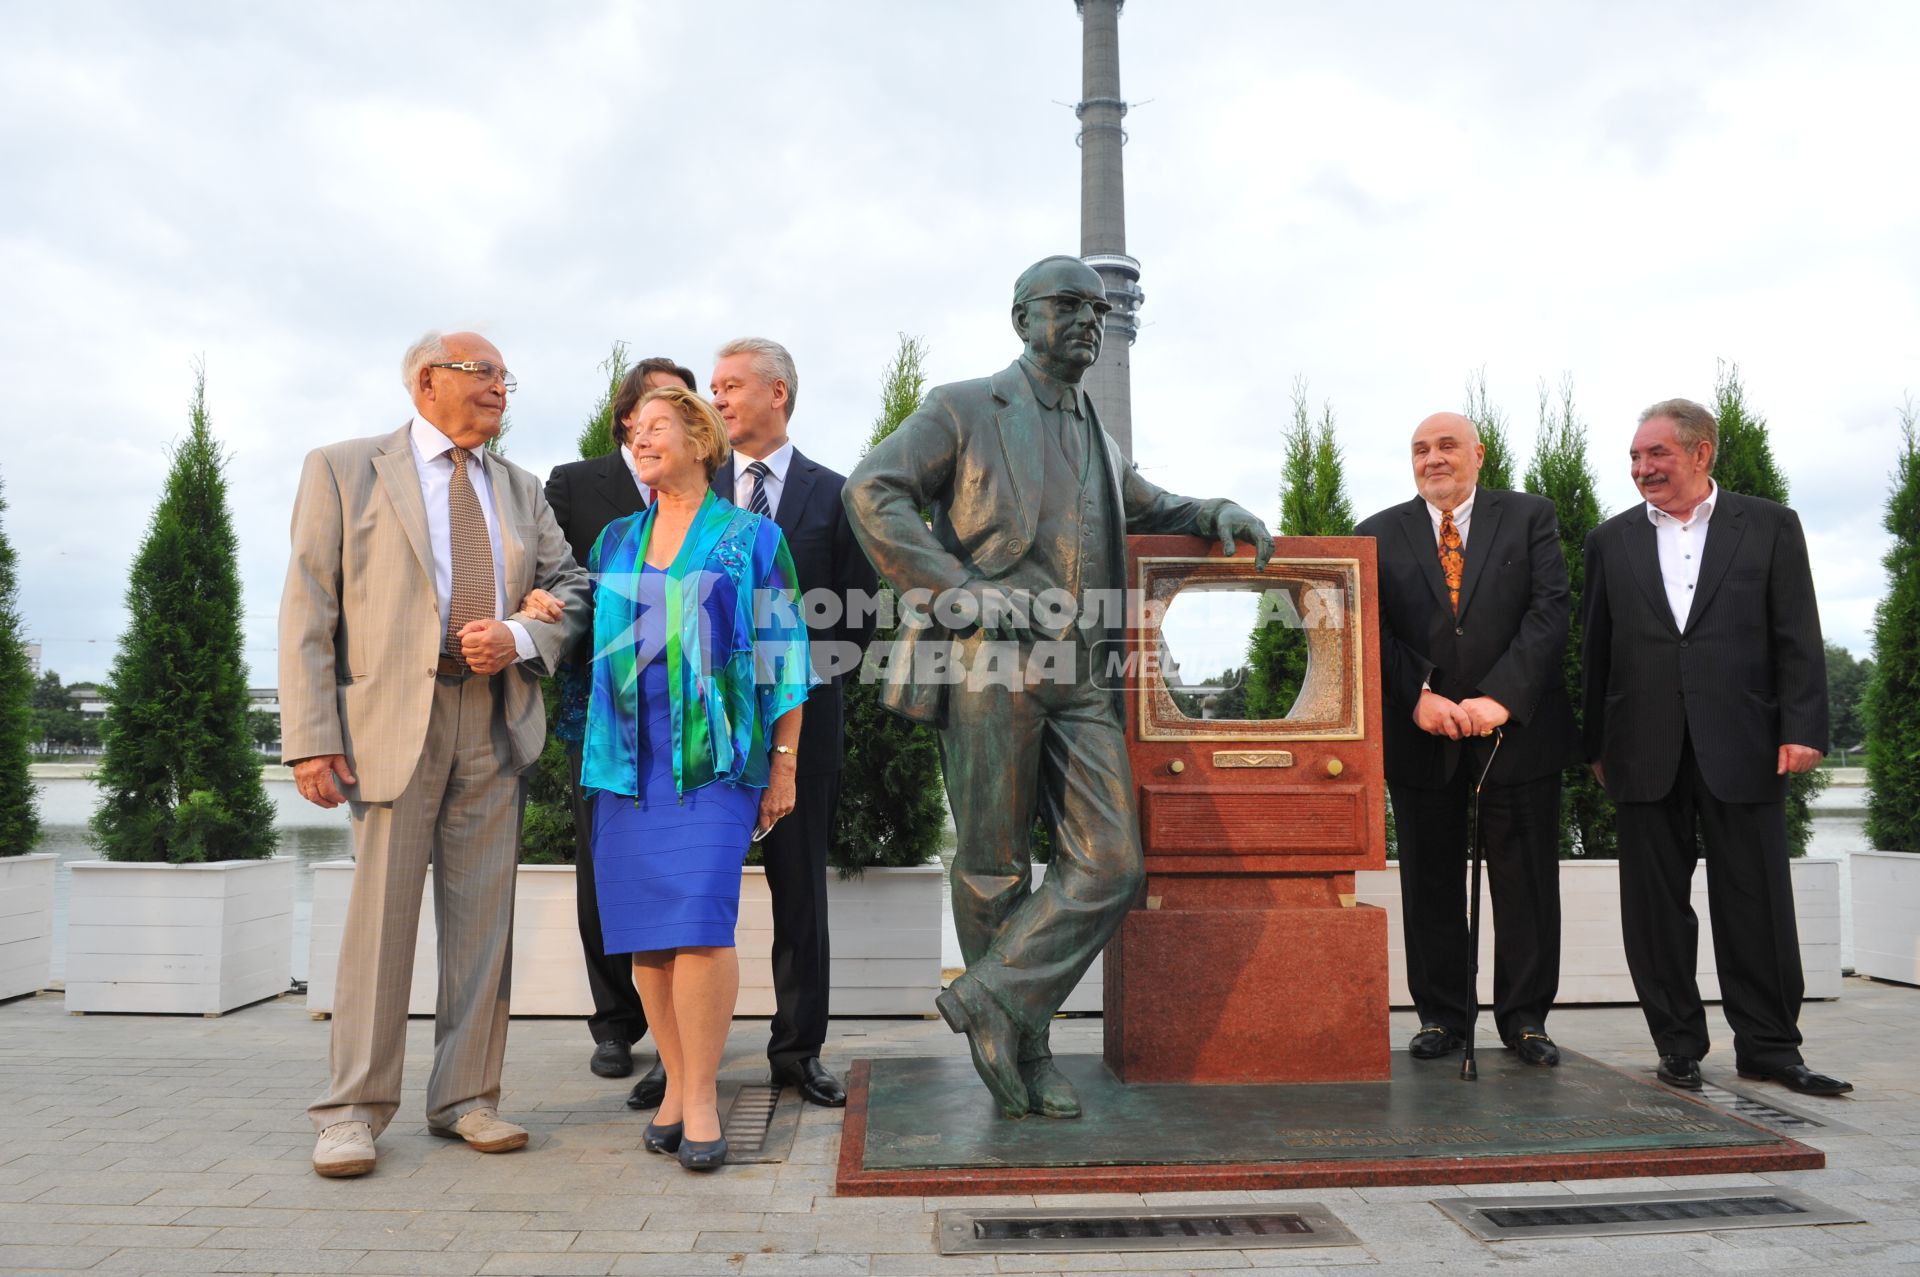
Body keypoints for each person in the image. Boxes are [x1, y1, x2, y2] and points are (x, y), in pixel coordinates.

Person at [843, 255, 1272, 1119]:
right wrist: (958, 591)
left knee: (1112, 861)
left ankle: (992, 998)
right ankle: (1025, 1047)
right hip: (986, 660)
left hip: (1082, 671)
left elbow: (1148, 503)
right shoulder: (962, 406)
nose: (1091, 318)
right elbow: (872, 488)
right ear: (1022, 318)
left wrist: (1209, 511)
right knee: (995, 863)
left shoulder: (1099, 435)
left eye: (1100, 307)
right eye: (1071, 304)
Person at [280, 330, 588, 1178]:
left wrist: (521, 634)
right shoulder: (344, 468)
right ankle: (350, 1110)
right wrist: (309, 737)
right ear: (427, 380)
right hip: (386, 728)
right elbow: (308, 608)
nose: (500, 389)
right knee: (378, 927)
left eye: (504, 377)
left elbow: (574, 588)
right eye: (484, 373)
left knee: (484, 926)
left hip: (493, 720)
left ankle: (467, 1099)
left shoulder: (522, 489)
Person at [530, 385, 814, 1172]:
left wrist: (784, 763)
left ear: (700, 436)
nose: (639, 439)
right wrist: (544, 606)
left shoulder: (751, 537)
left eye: (655, 427)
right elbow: (585, 614)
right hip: (626, 761)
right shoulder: (618, 536)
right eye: (632, 432)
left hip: (716, 763)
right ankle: (677, 1083)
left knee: (698, 920)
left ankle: (699, 1096)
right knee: (645, 938)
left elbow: (784, 655)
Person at [1583, 398, 1849, 1096]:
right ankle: (1677, 1045)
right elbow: (1597, 652)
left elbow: (1797, 631)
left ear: (1701, 453)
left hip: (1746, 742)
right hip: (1642, 747)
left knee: (1754, 899)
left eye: (1657, 454)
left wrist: (1803, 726)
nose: (1643, 468)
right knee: (1653, 907)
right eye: (1636, 457)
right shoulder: (1609, 541)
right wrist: (1595, 745)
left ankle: (1769, 1046)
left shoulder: (1768, 526)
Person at [1356, 412, 1577, 1068]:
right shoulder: (1377, 532)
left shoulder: (1530, 517)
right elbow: (1374, 628)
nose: (1433, 458)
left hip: (1517, 730)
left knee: (1527, 879)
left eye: (1447, 445)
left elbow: (1549, 610)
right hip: (1421, 732)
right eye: (1420, 449)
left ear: (1478, 454)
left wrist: (1498, 698)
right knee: (1429, 881)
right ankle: (1442, 1017)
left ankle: (1526, 1019)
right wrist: (1419, 697)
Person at [708, 337, 877, 1108]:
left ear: (778, 392)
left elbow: (858, 613)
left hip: (800, 729)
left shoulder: (836, 495)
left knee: (800, 893)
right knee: (692, 886)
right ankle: (681, 1056)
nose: (717, 399)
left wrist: (789, 696)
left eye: (732, 385)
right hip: (702, 728)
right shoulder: (692, 495)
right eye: (712, 387)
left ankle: (796, 1050)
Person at [545, 356, 697, 1106]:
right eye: (650, 403)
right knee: (603, 864)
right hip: (600, 708)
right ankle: (614, 1022)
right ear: (625, 416)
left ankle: (679, 1048)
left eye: (676, 402)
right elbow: (551, 579)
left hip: (693, 719)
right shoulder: (575, 485)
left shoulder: (712, 492)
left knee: (679, 869)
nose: (658, 417)